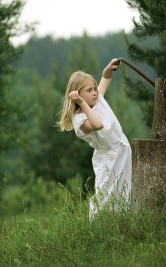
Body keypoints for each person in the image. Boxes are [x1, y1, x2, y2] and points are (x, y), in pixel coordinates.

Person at [58, 58, 131, 219]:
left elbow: (105, 79)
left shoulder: (96, 100)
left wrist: (107, 70)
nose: (94, 93)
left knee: (125, 191)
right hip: (108, 158)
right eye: (89, 90)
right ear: (78, 95)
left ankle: (123, 223)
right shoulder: (80, 119)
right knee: (105, 195)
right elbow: (98, 125)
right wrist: (83, 104)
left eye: (94, 89)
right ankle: (96, 226)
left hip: (122, 150)